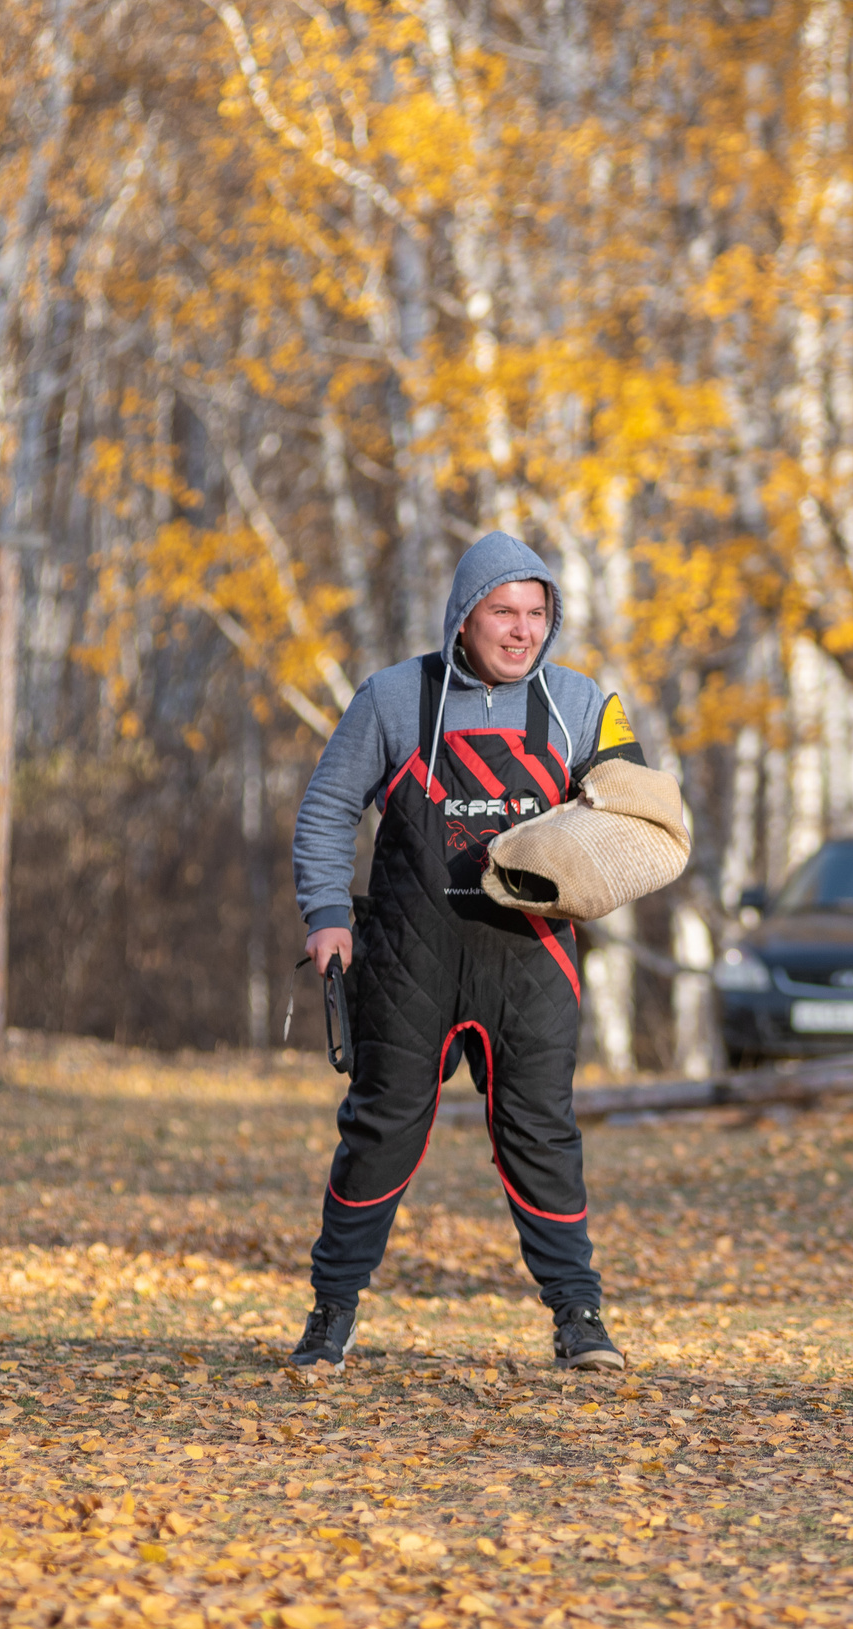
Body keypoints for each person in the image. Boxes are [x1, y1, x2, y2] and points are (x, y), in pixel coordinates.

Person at [288, 532, 648, 1374]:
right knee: (380, 1131)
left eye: (535, 613)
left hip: (533, 961)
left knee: (543, 1135)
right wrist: (326, 912)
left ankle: (579, 1316)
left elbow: (638, 817)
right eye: (502, 612)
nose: (521, 630)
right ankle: (330, 1314)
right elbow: (327, 808)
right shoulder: (393, 698)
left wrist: (609, 865)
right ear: (463, 617)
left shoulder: (581, 705)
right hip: (411, 959)